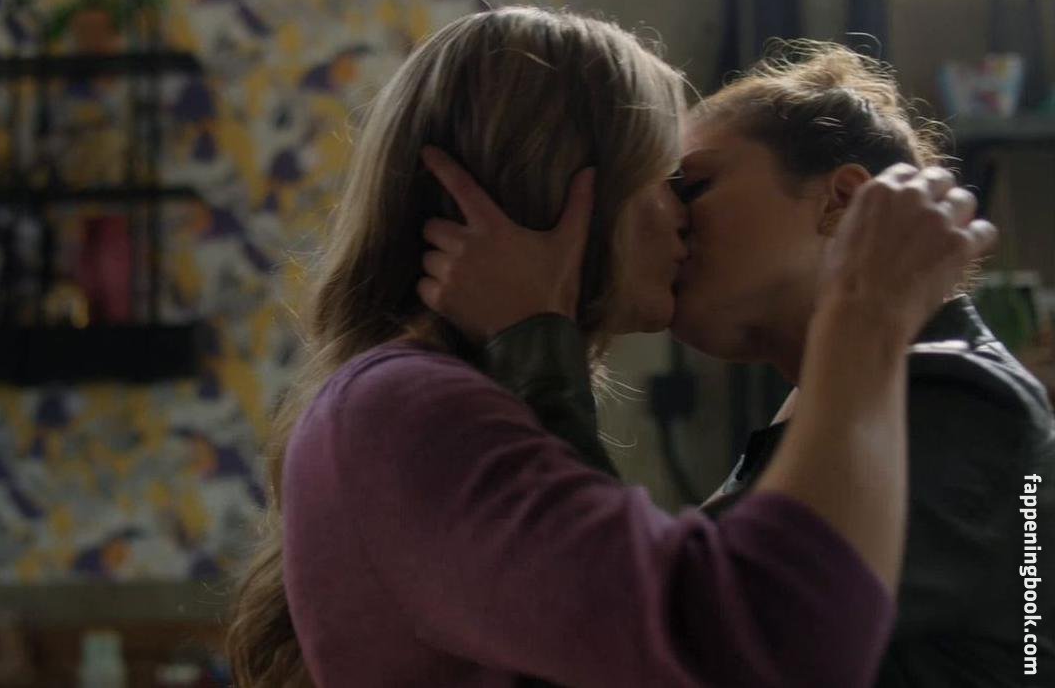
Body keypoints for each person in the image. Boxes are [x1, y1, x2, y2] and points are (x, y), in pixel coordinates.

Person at [226, 9, 993, 687]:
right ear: (567, 186)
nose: (682, 219)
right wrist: (864, 314)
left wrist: (538, 349)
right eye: (666, 180)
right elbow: (759, 645)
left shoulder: (420, 397)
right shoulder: (407, 408)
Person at [417, 41, 1052, 687]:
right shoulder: (852, 403)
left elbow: (683, 641)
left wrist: (531, 337)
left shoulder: (959, 398)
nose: (668, 218)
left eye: (691, 187)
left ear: (842, 200)